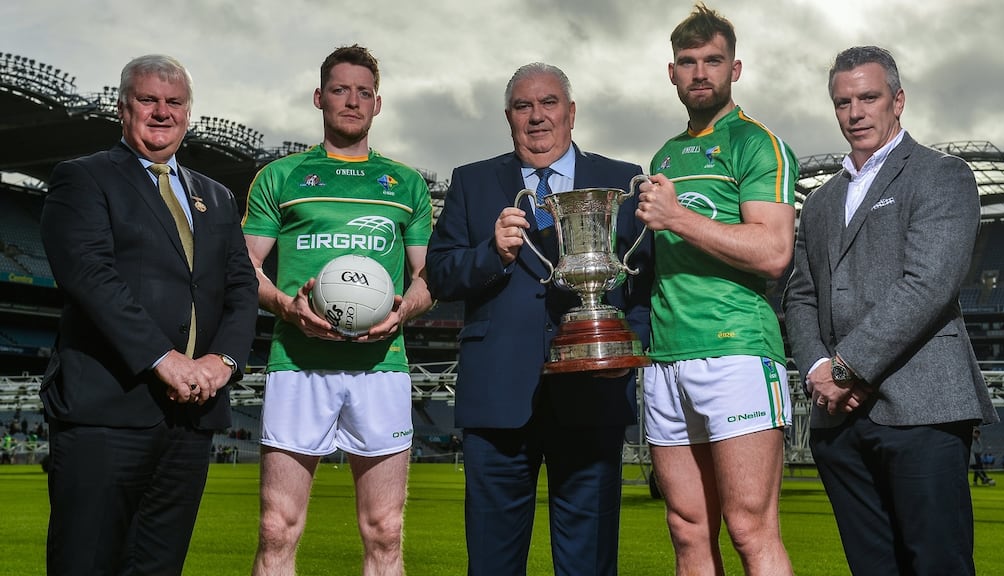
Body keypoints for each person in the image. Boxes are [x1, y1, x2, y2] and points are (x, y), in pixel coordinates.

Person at [426, 62, 650, 575]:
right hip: (498, 397)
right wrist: (489, 255)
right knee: (493, 562)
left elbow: (643, 283)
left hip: (593, 391)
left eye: (549, 103)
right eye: (523, 106)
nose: (537, 117)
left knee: (588, 563)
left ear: (571, 113)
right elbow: (439, 275)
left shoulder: (620, 179)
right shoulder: (473, 181)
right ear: (508, 117)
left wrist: (624, 350)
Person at [783, 45, 1000, 575]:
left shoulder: (941, 175)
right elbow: (801, 294)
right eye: (842, 102)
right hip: (839, 419)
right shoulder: (819, 201)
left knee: (938, 564)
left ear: (897, 101)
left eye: (868, 98)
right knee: (870, 566)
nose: (855, 113)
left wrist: (844, 367)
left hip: (923, 406)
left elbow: (929, 284)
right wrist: (817, 370)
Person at [39, 54, 258, 575]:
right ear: (123, 108)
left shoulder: (218, 196)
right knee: (85, 562)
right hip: (107, 409)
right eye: (148, 100)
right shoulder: (82, 178)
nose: (162, 112)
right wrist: (163, 359)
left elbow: (242, 288)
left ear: (189, 113)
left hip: (191, 418)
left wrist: (221, 362)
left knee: (160, 565)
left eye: (174, 102)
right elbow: (89, 277)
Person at [243, 44, 434, 576]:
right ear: (318, 97)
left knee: (385, 531)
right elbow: (245, 267)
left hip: (381, 369)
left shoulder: (406, 183)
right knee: (277, 528)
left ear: (378, 104)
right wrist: (286, 306)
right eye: (340, 89)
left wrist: (403, 312)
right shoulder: (279, 177)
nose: (352, 101)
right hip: (297, 365)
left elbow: (428, 278)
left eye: (364, 92)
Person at [633, 4, 798, 574]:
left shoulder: (756, 144)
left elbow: (774, 251)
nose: (700, 72)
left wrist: (678, 218)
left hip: (736, 354)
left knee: (750, 528)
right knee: (686, 530)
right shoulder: (665, 156)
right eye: (688, 62)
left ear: (735, 68)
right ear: (672, 73)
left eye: (713, 61)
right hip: (665, 359)